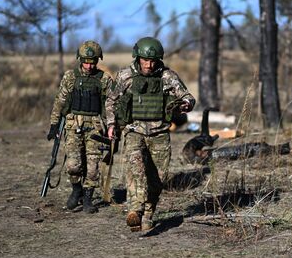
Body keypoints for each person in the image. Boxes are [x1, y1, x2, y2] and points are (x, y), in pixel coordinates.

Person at [105, 37, 195, 231]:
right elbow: (111, 101)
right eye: (145, 60)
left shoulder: (167, 77)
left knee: (157, 178)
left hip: (160, 134)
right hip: (134, 130)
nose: (149, 64)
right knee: (136, 170)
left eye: (153, 60)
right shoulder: (125, 76)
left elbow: (187, 96)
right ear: (137, 58)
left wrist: (187, 104)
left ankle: (148, 213)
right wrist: (112, 124)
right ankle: (135, 210)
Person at [47, 40, 113, 213]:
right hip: (72, 125)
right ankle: (76, 191)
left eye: (93, 62)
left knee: (93, 167)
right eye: (85, 61)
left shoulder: (104, 79)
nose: (89, 65)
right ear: (79, 59)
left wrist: (113, 126)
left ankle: (88, 198)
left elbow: (111, 105)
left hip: (95, 127)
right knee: (73, 165)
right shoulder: (70, 77)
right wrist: (54, 124)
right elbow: (60, 101)